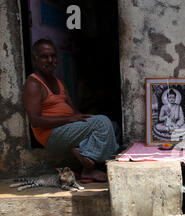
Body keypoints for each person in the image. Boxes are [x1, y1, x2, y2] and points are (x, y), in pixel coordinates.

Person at [22, 39, 119, 182]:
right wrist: (70, 120)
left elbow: (73, 111)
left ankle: (83, 152)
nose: (50, 60)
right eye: (44, 57)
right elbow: (35, 121)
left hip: (67, 128)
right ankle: (89, 168)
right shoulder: (33, 84)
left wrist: (85, 118)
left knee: (113, 125)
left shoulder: (58, 81)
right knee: (102, 122)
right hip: (51, 135)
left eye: (53, 56)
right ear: (35, 59)